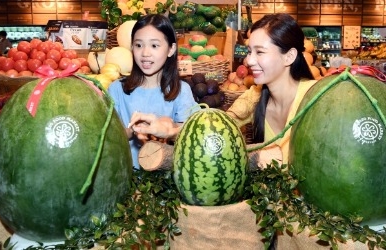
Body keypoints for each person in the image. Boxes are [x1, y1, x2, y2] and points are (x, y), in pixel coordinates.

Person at [128, 13, 317, 166]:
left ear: (289, 56)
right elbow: (214, 126)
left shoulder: (315, 99)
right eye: (249, 51)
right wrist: (170, 129)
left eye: (259, 52)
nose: (249, 61)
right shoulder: (255, 97)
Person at [108, 14, 199, 169]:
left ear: (171, 49)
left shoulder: (181, 91)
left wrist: (168, 130)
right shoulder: (116, 89)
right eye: (138, 45)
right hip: (126, 175)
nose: (145, 53)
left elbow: (192, 133)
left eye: (154, 46)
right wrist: (131, 130)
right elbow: (107, 139)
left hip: (167, 181)